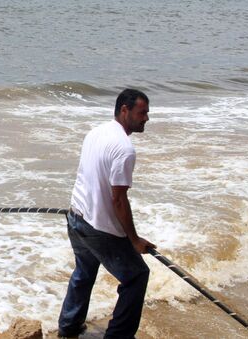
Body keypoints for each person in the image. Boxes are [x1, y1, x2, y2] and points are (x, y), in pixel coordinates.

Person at [57, 89, 156, 339]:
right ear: (125, 110)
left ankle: (69, 326)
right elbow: (118, 199)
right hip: (97, 228)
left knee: (84, 271)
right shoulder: (124, 149)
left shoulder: (96, 132)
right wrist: (134, 241)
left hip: (76, 216)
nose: (146, 118)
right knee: (136, 276)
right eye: (142, 112)